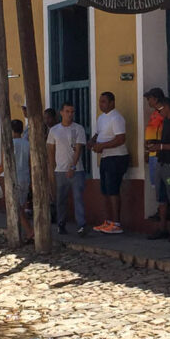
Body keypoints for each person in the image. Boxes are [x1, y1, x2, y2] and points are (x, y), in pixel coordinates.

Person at [145, 91, 170, 242]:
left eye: (161, 109)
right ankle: (162, 228)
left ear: (167, 107)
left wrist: (161, 147)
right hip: (161, 164)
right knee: (161, 198)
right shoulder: (165, 123)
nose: (159, 112)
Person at [91, 91, 129, 234]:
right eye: (100, 101)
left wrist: (102, 146)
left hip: (117, 157)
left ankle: (116, 223)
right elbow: (98, 133)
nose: (101, 104)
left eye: (104, 102)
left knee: (113, 190)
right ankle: (108, 221)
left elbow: (120, 139)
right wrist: (93, 141)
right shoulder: (101, 118)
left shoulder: (117, 118)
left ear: (112, 102)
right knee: (105, 190)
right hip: (105, 158)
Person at [48, 102, 88, 235]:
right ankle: (61, 223)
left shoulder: (78, 129)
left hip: (77, 170)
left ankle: (81, 225)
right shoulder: (54, 130)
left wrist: (73, 166)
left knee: (78, 198)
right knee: (60, 199)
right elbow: (51, 150)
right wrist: (52, 168)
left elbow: (78, 149)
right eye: (67, 111)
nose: (69, 114)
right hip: (60, 170)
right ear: (61, 112)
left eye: (72, 112)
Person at [0, 118, 34, 243]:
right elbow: (30, 163)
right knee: (20, 206)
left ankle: (29, 231)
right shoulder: (27, 144)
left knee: (16, 207)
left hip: (14, 178)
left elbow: (3, 164)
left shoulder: (9, 144)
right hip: (25, 177)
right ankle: (22, 233)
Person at [143, 88, 165, 221]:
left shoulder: (163, 114)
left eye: (149, 99)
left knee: (161, 184)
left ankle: (163, 210)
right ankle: (160, 209)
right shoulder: (154, 114)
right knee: (155, 184)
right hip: (152, 152)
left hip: (159, 153)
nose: (148, 101)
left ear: (155, 99)